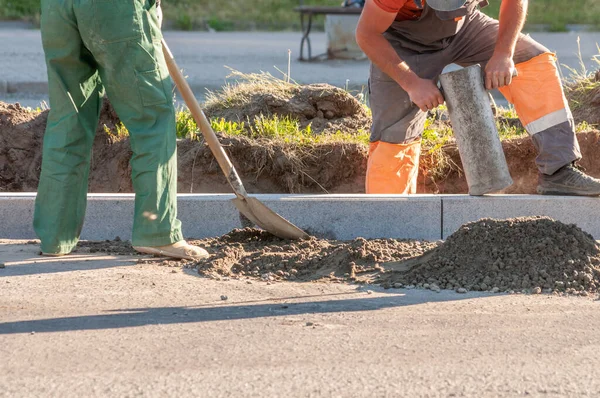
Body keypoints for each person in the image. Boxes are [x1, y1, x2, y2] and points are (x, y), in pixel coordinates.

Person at [355, 0, 600, 195]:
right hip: (404, 42)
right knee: (392, 137)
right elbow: (366, 34)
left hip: (466, 28)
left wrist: (504, 53)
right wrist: (411, 83)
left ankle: (558, 171)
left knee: (532, 61)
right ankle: (389, 215)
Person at [35, 0, 209, 260]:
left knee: (68, 119)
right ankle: (157, 232)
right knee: (152, 117)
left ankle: (54, 236)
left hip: (57, 8)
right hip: (114, 9)